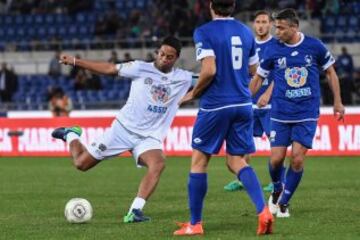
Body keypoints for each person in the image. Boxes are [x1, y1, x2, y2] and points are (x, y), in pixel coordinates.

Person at [51, 36, 195, 223]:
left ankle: (134, 212)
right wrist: (77, 62)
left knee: (158, 164)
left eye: (169, 57)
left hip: (148, 138)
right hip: (122, 130)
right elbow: (110, 69)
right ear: (157, 52)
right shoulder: (139, 68)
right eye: (161, 54)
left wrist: (189, 96)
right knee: (81, 164)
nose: (164, 59)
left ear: (176, 58)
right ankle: (71, 135)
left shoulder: (183, 77)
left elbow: (209, 78)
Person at [174, 0, 273, 236]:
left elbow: (209, 70)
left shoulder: (204, 31)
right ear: (233, 6)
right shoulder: (244, 31)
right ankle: (263, 211)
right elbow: (254, 70)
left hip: (216, 105)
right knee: (236, 161)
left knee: (199, 162)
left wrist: (193, 93)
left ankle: (195, 224)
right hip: (242, 103)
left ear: (210, 6)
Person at [249, 8, 344, 218]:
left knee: (298, 159)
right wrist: (244, 99)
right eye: (276, 27)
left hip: (307, 112)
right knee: (275, 160)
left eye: (281, 28)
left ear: (294, 27)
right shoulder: (273, 48)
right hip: (281, 112)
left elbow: (330, 72)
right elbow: (258, 78)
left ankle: (283, 202)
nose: (277, 32)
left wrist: (337, 101)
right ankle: (276, 188)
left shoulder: (314, 46)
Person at [224, 10, 286, 193]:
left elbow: (281, 74)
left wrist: (267, 93)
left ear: (270, 24)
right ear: (253, 24)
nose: (261, 25)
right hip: (248, 103)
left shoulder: (277, 45)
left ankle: (278, 182)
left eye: (264, 22)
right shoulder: (246, 45)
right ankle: (241, 178)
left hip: (271, 105)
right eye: (257, 21)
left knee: (277, 145)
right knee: (241, 144)